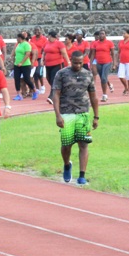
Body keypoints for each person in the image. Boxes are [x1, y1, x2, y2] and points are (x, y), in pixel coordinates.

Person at [51, 51, 99, 186]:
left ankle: (82, 175)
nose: (77, 65)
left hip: (83, 114)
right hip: (66, 114)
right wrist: (57, 115)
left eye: (80, 63)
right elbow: (56, 95)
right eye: (75, 62)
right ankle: (67, 164)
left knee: (83, 144)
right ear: (70, 60)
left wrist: (96, 116)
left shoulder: (88, 74)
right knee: (66, 145)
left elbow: (93, 97)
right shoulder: (61, 74)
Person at [91, 30, 116, 102]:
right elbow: (93, 54)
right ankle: (106, 90)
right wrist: (91, 63)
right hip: (99, 63)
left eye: (102, 34)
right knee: (102, 78)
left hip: (107, 62)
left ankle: (104, 95)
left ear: (105, 35)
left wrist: (114, 64)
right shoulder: (95, 43)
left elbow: (113, 54)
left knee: (104, 78)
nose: (101, 35)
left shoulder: (109, 43)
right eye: (100, 34)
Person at [12, 32, 37, 100]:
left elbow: (27, 54)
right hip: (17, 65)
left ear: (20, 38)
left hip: (25, 65)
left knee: (27, 79)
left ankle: (34, 90)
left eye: (17, 38)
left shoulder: (26, 44)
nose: (16, 39)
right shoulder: (18, 45)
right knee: (17, 79)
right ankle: (18, 94)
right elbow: (15, 53)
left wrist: (22, 62)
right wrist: (13, 60)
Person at [30, 26, 49, 94]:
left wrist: (44, 58)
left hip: (40, 58)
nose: (36, 31)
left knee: (38, 72)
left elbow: (46, 48)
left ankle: (42, 86)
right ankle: (37, 88)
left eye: (38, 30)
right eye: (35, 30)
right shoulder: (32, 38)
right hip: (34, 58)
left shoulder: (44, 39)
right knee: (34, 74)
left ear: (41, 30)